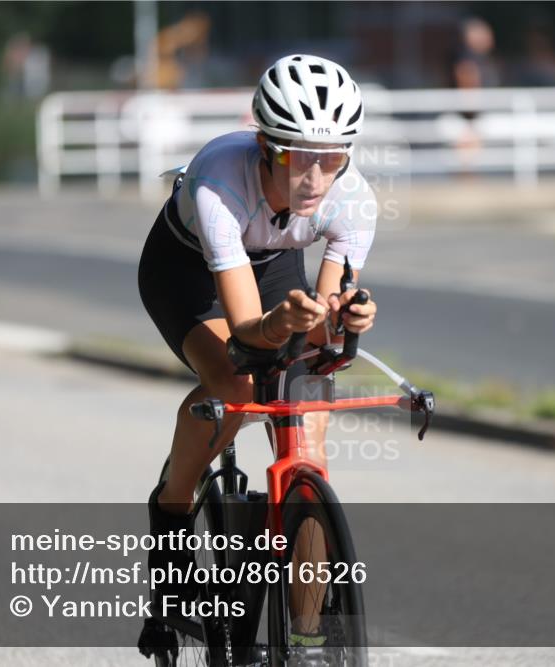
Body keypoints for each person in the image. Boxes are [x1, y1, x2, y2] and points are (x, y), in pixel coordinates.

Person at [136, 53, 378, 636]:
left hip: (272, 266)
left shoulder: (353, 200)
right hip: (186, 270)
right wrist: (283, 323)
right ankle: (171, 517)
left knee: (306, 411)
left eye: (333, 158)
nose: (315, 178)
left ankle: (305, 633)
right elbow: (248, 330)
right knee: (237, 381)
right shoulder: (220, 179)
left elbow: (321, 324)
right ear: (265, 145)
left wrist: (346, 318)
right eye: (298, 157)